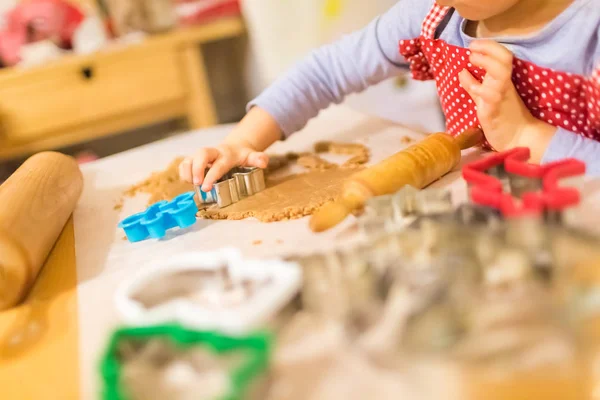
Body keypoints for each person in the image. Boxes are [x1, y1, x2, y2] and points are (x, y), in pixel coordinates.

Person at [179, 0, 600, 190]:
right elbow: (327, 71)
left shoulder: (590, 33)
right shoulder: (436, 16)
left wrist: (527, 137)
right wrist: (242, 140)